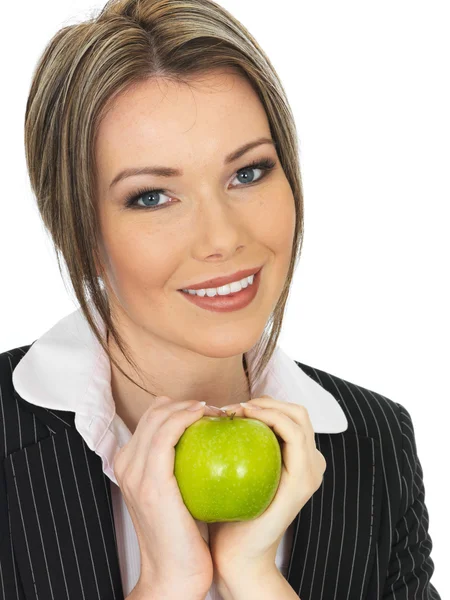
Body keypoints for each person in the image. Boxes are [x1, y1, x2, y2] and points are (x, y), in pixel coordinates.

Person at [0, 0, 440, 598]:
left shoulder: (375, 441)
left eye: (248, 173)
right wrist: (168, 583)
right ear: (78, 228)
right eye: (152, 196)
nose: (222, 239)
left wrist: (256, 578)